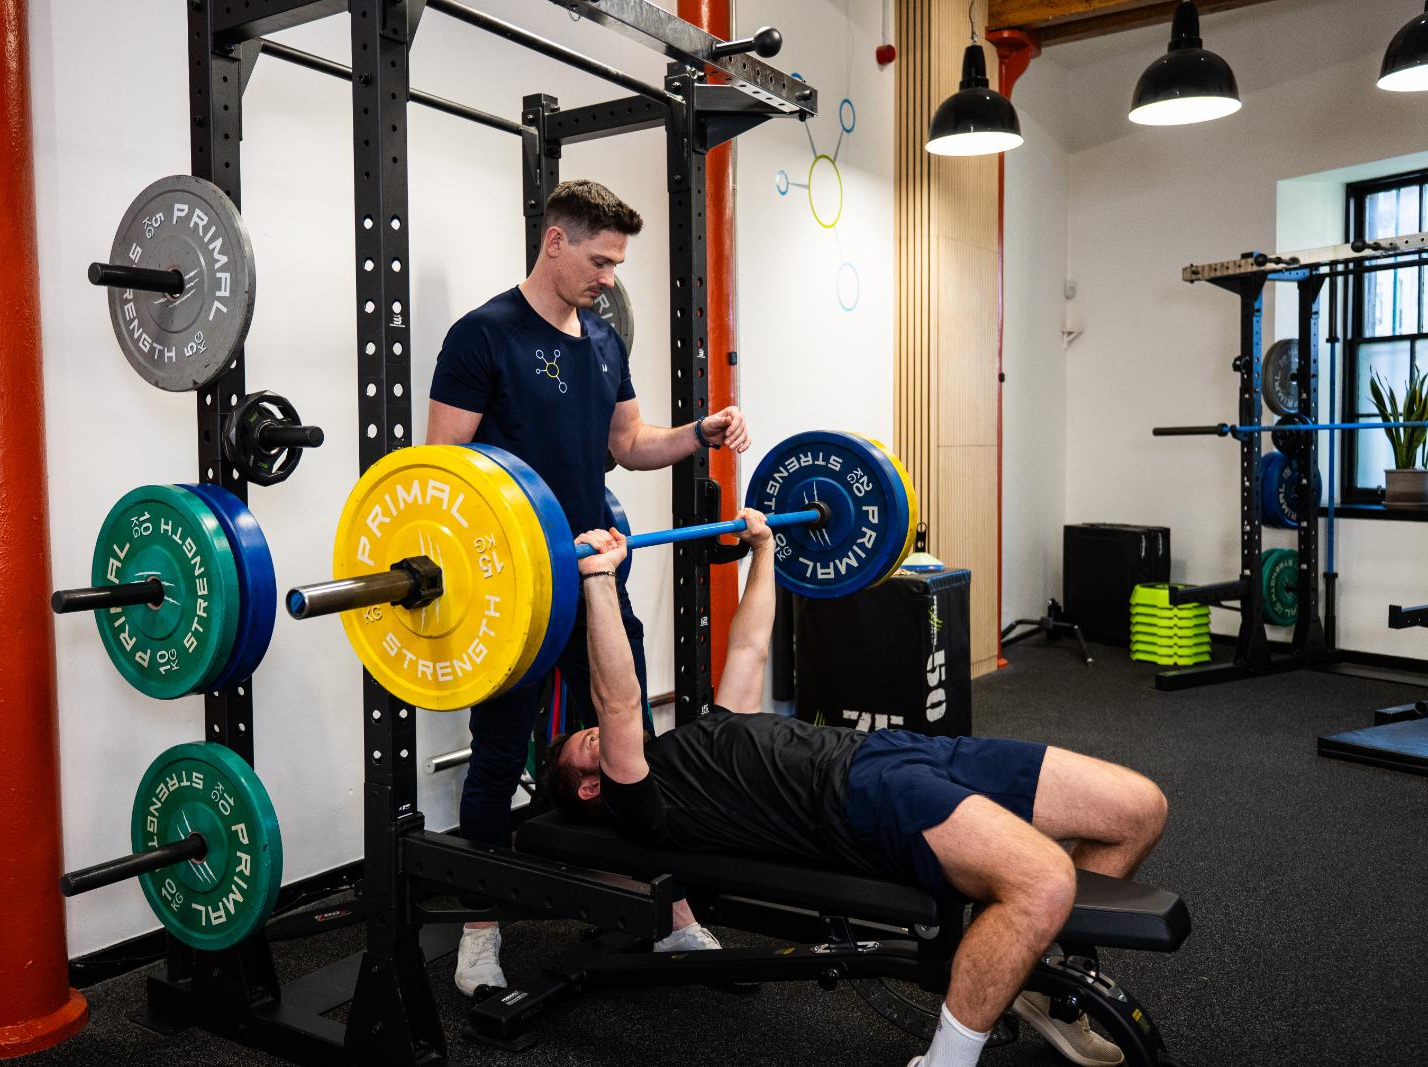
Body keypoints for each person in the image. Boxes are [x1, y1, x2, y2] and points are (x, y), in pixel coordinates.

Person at [545, 515, 1170, 1067]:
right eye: (588, 744)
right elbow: (620, 701)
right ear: (591, 788)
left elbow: (751, 647)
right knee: (1045, 882)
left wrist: (764, 550)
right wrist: (600, 579)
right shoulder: (642, 802)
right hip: (859, 797)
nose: (599, 734)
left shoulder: (703, 733)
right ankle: (947, 1060)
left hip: (908, 751)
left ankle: (1033, 979)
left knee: (1139, 808)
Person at [426, 178, 751, 997]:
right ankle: (478, 937)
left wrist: (699, 434)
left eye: (616, 263)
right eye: (601, 260)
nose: (610, 277)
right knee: (500, 755)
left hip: (596, 583)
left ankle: (667, 914)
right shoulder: (482, 336)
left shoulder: (605, 339)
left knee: (634, 746)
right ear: (556, 242)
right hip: (518, 594)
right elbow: (441, 474)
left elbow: (630, 442)